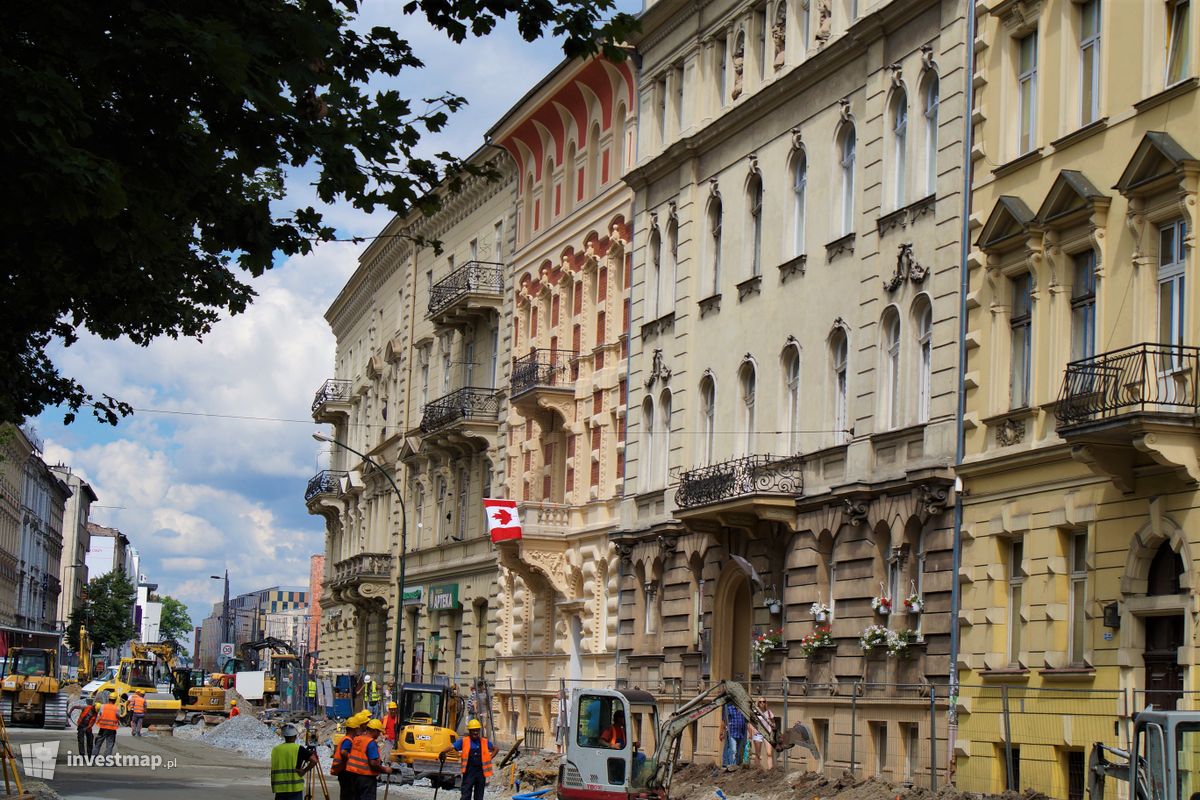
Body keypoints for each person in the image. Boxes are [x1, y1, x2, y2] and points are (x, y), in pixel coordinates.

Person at [441, 718, 492, 800]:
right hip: (469, 772)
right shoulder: (464, 741)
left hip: (481, 773)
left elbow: (495, 749)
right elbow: (452, 747)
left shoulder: (484, 741)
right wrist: (442, 752)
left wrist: (490, 757)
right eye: (473, 730)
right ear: (470, 731)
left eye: (477, 730)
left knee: (479, 796)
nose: (475, 732)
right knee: (466, 794)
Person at [345, 718, 393, 799]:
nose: (379, 735)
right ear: (374, 730)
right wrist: (385, 769)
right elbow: (373, 763)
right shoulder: (370, 743)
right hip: (366, 778)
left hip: (352, 776)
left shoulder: (357, 739)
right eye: (378, 732)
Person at [271, 722, 318, 800]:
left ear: (284, 736)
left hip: (279, 788)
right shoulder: (299, 748)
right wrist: (304, 771)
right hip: (294, 788)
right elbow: (314, 760)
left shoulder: (275, 749)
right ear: (295, 736)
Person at [331, 712, 368, 800]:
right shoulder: (348, 740)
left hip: (343, 771)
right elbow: (344, 752)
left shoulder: (347, 739)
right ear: (354, 729)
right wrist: (352, 759)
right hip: (345, 772)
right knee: (348, 795)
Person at [719, 702, 747, 769]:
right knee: (733, 750)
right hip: (732, 733)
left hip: (741, 734)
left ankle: (733, 765)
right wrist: (721, 732)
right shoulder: (729, 709)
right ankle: (732, 765)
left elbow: (746, 722)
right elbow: (724, 721)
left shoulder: (743, 710)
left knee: (738, 751)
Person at [749, 698, 775, 769]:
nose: (762, 703)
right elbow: (750, 722)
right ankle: (757, 769)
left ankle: (770, 770)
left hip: (767, 734)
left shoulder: (769, 712)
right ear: (758, 703)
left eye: (764, 701)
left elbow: (773, 722)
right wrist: (752, 731)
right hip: (758, 734)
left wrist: (773, 728)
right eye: (760, 702)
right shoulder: (755, 712)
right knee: (758, 754)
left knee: (769, 753)